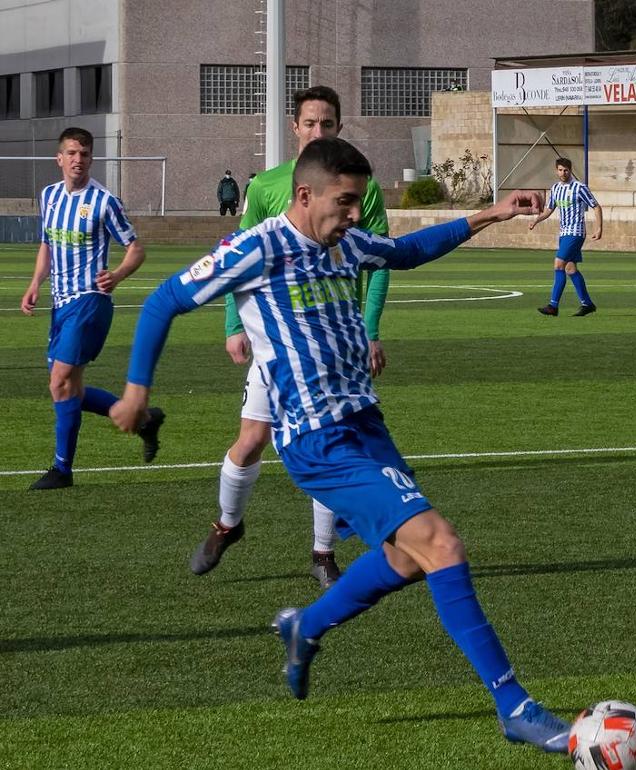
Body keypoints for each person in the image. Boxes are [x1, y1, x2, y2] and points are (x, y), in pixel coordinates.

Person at [109, 137, 572, 753]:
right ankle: (513, 704)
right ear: (305, 195)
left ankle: (305, 625)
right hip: (315, 437)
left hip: (365, 424)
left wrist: (490, 212)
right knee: (441, 542)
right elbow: (165, 300)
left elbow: (404, 251)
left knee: (408, 558)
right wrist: (136, 392)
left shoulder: (346, 242)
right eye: (346, 202)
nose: (356, 215)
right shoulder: (259, 246)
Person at [189, 85, 392, 588]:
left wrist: (369, 331)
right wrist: (235, 327)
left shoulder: (360, 187)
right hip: (276, 344)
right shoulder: (265, 187)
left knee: (330, 441)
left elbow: (383, 261)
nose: (318, 131)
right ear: (295, 127)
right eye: (310, 123)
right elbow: (237, 259)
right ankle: (227, 524)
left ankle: (323, 552)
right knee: (251, 440)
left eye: (327, 124)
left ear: (338, 128)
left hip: (336, 342)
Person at [19, 126, 164, 490]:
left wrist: (116, 276)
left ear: (91, 158)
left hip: (89, 302)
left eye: (84, 154)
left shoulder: (104, 201)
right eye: (71, 153)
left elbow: (136, 248)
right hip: (60, 303)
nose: (77, 160)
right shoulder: (49, 196)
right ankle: (144, 420)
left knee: (59, 381)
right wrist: (36, 283)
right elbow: (47, 245)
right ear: (59, 158)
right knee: (68, 391)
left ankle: (62, 469)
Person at [530, 157, 601, 316]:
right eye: (560, 170)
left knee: (558, 265)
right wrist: (536, 221)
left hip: (575, 232)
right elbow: (549, 210)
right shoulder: (555, 188)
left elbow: (596, 207)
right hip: (563, 233)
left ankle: (553, 306)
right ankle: (587, 304)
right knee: (570, 268)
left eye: (566, 170)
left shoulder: (579, 187)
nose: (563, 173)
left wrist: (599, 229)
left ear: (570, 170)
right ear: (556, 170)